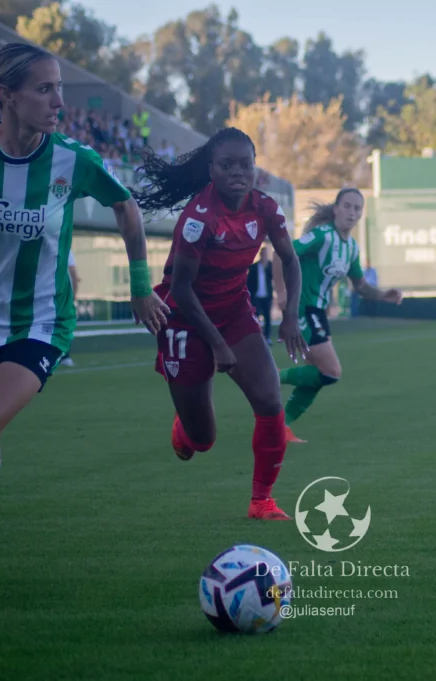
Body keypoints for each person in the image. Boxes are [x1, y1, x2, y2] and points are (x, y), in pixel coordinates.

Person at [0, 42, 168, 592]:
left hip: (40, 324)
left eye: (59, 88)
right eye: (45, 89)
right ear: (7, 95)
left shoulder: (74, 159)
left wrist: (141, 286)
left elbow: (125, 207)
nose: (59, 102)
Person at [133, 126, 308, 521]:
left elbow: (290, 260)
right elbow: (181, 290)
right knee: (202, 440)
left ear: (255, 167)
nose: (237, 172)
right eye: (227, 165)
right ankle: (186, 425)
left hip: (233, 311)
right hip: (184, 318)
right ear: (211, 169)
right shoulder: (198, 218)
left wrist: (290, 316)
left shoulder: (265, 208)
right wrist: (216, 345)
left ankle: (261, 501)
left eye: (245, 164)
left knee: (270, 401)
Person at [272, 189, 402, 443]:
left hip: (318, 313)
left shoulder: (351, 248)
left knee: (320, 374)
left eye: (357, 208)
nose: (352, 212)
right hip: (303, 308)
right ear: (336, 209)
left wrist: (382, 295)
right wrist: (281, 291)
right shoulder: (323, 236)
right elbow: (280, 252)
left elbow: (360, 285)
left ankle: (280, 428)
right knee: (331, 371)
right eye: (347, 206)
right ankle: (273, 378)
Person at [247, 245, 273, 343]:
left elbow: (273, 277)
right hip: (256, 297)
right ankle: (257, 336)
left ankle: (267, 337)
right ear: (260, 254)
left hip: (267, 297)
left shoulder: (270, 266)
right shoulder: (253, 267)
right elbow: (249, 282)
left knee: (267, 318)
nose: (264, 255)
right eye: (263, 254)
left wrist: (267, 267)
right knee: (255, 318)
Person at [59, 249, 79, 366]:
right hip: (60, 295)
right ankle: (64, 356)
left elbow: (73, 273)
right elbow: (73, 273)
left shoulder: (66, 249)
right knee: (64, 325)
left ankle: (65, 355)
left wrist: (74, 293)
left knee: (64, 325)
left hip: (63, 295)